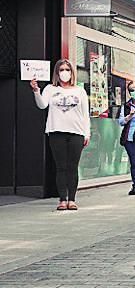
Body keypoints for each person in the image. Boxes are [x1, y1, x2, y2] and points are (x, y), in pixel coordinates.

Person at [31, 59, 90, 211]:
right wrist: (36, 91)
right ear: (57, 73)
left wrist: (87, 133)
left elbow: (85, 114)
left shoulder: (80, 91)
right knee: (61, 166)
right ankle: (62, 199)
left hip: (76, 132)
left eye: (67, 70)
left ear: (72, 73)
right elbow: (42, 105)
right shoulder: (50, 89)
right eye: (61, 70)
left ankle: (72, 199)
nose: (65, 73)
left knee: (73, 166)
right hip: (56, 131)